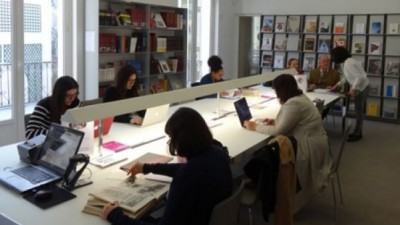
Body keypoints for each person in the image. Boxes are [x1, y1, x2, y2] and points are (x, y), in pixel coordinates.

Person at [100, 107, 233, 225]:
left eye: (171, 139)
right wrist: (147, 167)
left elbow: (186, 172)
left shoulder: (186, 177)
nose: (171, 143)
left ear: (182, 139)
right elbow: (185, 169)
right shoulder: (216, 153)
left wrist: (115, 216)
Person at [244, 74, 332, 209]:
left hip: (309, 145)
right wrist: (275, 121)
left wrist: (255, 126)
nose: (276, 94)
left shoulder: (294, 104)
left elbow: (279, 131)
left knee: (267, 153)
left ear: (281, 90)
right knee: (269, 151)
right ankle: (261, 180)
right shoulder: (300, 98)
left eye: (276, 91)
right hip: (315, 139)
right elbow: (293, 122)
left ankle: (266, 186)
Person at [330, 46, 369, 142]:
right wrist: (336, 85)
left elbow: (359, 77)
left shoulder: (348, 63)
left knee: (359, 111)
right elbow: (346, 77)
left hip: (362, 87)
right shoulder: (346, 62)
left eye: (333, 55)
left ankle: (357, 134)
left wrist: (353, 89)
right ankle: (358, 132)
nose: (332, 58)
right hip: (360, 87)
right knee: (358, 111)